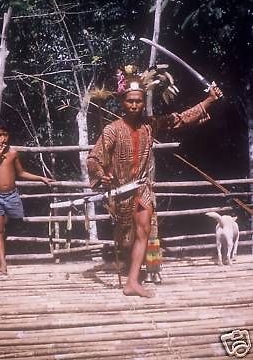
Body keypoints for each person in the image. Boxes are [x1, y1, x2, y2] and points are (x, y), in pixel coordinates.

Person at [87, 76, 222, 298]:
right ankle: (133, 271)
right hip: (121, 193)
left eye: (138, 101)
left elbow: (181, 119)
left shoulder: (150, 126)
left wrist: (209, 100)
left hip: (143, 189)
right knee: (126, 239)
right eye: (130, 100)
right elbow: (94, 158)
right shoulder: (112, 130)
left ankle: (132, 282)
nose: (134, 105)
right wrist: (102, 175)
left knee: (143, 230)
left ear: (143, 101)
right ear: (123, 101)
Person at [0, 119, 53, 275]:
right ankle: (3, 263)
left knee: (3, 228)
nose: (3, 138)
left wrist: (41, 178)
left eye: (5, 135)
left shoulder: (13, 153)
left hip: (12, 195)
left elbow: (21, 173)